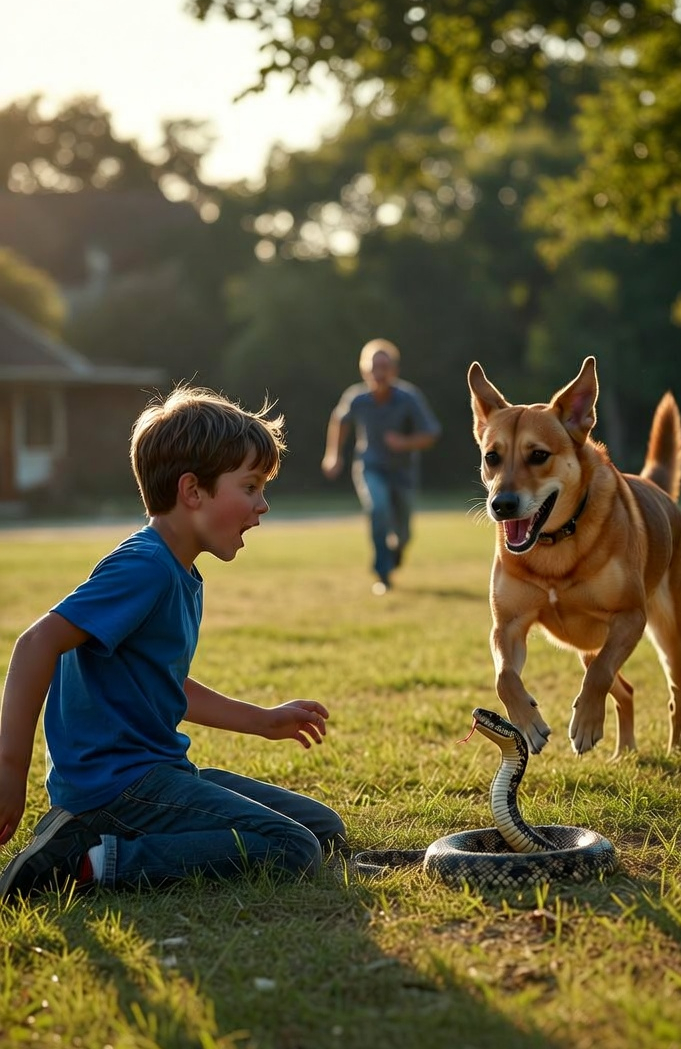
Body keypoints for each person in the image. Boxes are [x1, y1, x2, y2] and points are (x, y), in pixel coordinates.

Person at [0, 385, 346, 902]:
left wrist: (261, 719)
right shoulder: (145, 566)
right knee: (293, 848)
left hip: (156, 773)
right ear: (193, 492)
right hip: (115, 789)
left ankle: (108, 840)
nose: (263, 504)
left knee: (324, 828)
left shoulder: (178, 569)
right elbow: (36, 643)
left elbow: (158, 681)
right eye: (250, 487)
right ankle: (86, 859)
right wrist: (9, 771)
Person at [321, 338, 441, 594]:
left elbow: (431, 433)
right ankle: (383, 574)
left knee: (404, 533)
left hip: (403, 472)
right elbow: (339, 421)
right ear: (364, 371)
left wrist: (405, 442)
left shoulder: (409, 398)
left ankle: (395, 551)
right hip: (370, 466)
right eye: (374, 367)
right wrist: (333, 455)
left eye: (385, 367)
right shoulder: (357, 398)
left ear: (394, 370)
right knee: (378, 509)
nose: (379, 373)